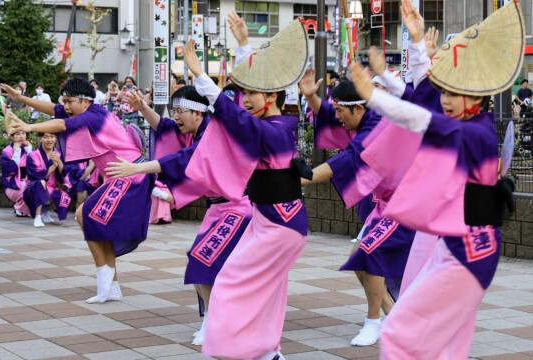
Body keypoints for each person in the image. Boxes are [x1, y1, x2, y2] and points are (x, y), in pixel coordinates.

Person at [347, 1, 522, 358]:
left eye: (454, 93)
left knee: (403, 331)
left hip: (468, 248)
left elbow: (421, 118)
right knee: (442, 340)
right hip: (449, 236)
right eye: (444, 91)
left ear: (478, 96)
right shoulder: (468, 125)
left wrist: (373, 95)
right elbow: (423, 103)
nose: (445, 100)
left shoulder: (478, 134)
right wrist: (414, 46)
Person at [182, 18, 311, 360]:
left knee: (229, 283)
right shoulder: (275, 122)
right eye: (245, 93)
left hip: (281, 227)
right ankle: (266, 351)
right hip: (269, 222)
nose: (245, 99)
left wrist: (201, 76)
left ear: (270, 96)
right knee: (265, 291)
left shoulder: (274, 132)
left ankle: (235, 350)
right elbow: (239, 107)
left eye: (252, 93)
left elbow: (231, 114)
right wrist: (243, 45)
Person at [105, 84, 252, 347]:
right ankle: (216, 319)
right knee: (202, 264)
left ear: (198, 113)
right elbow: (167, 131)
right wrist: (144, 108)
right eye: (174, 110)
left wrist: (136, 168)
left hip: (239, 207)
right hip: (219, 208)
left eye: (180, 111)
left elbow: (183, 157)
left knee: (203, 261)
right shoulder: (197, 129)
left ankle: (218, 322)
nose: (175, 117)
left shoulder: (213, 134)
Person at [3, 76, 155, 304]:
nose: (65, 107)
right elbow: (54, 109)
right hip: (122, 176)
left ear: (85, 101)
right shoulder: (83, 111)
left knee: (85, 214)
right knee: (97, 223)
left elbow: (62, 124)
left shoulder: (95, 115)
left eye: (69, 101)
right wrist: (20, 98)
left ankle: (106, 283)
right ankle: (110, 286)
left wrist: (29, 126)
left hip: (131, 175)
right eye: (64, 101)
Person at [299, 68, 415, 347]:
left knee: (369, 253)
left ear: (359, 108)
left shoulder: (377, 127)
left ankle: (374, 322)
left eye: (341, 111)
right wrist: (312, 97)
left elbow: (351, 157)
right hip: (386, 204)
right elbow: (328, 117)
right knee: (359, 258)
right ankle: (394, 316)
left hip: (406, 203)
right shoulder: (364, 119)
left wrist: (306, 176)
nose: (336, 116)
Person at [23, 132, 71, 227]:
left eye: (52, 137)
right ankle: (38, 216)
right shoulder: (33, 155)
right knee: (40, 183)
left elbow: (63, 174)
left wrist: (59, 162)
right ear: (40, 139)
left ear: (56, 138)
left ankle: (45, 212)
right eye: (45, 137)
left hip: (52, 188)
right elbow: (36, 176)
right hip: (33, 188)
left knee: (64, 195)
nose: (49, 140)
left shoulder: (59, 153)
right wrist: (53, 166)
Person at [0, 129, 32, 217]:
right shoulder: (6, 151)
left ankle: (24, 209)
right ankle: (20, 208)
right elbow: (11, 169)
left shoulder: (27, 149)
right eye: (18, 134)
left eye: (23, 133)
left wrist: (29, 151)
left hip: (26, 181)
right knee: (27, 188)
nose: (21, 136)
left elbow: (35, 168)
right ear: (12, 136)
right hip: (12, 185)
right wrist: (17, 151)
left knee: (38, 186)